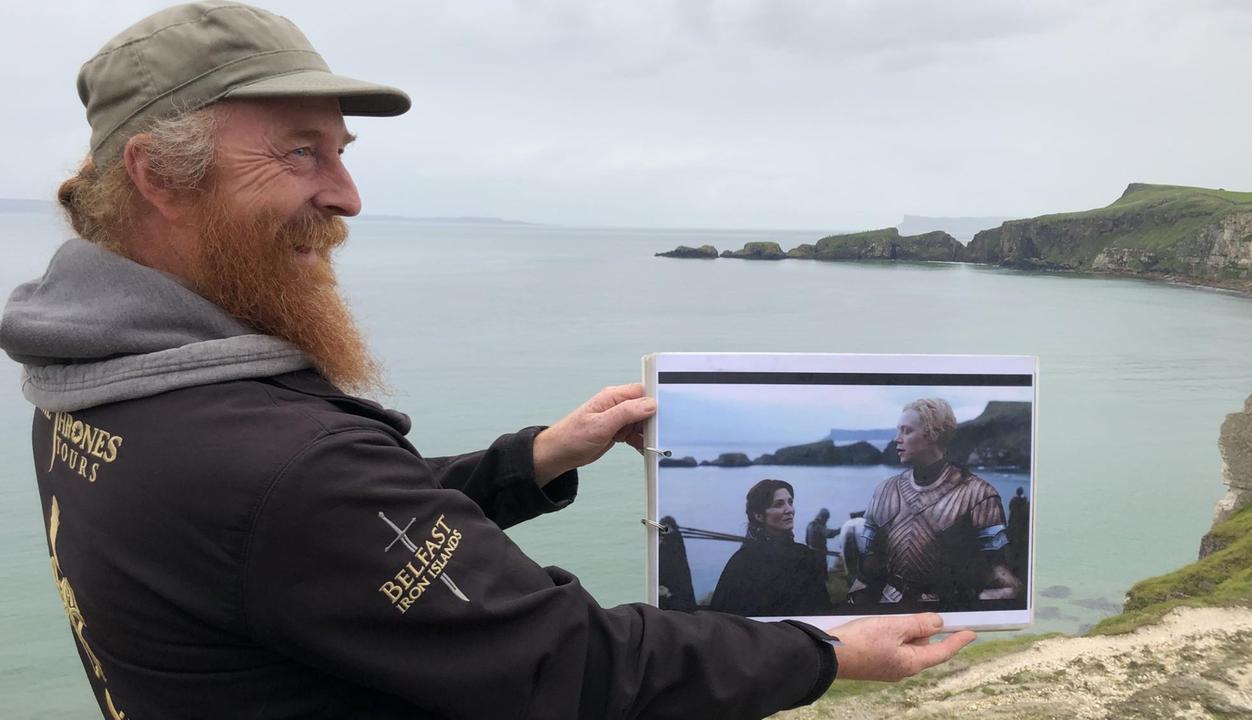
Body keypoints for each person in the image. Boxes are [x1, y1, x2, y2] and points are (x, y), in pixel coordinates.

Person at [0, 3, 974, 718]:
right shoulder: (270, 460)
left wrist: (536, 459)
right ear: (158, 177)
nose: (347, 196)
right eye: (301, 154)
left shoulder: (101, 377)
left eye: (341, 153)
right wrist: (820, 650)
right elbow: (567, 664)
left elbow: (305, 538)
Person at [856, 399, 1024, 610]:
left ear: (933, 435)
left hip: (949, 608)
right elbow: (867, 569)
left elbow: (1003, 580)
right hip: (891, 606)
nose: (897, 439)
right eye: (898, 430)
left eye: (907, 431)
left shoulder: (980, 495)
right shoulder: (884, 491)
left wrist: (970, 605)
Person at [710, 480, 832, 617]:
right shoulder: (743, 562)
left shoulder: (805, 556)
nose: (789, 510)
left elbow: (822, 611)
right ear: (759, 515)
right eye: (779, 504)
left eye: (790, 502)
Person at [839, 511, 867, 589]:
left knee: (850, 572)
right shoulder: (864, 522)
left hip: (845, 543)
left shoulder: (846, 524)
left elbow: (841, 547)